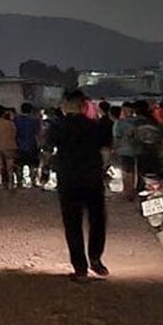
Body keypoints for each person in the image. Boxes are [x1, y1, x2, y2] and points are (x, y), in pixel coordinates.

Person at [47, 90, 112, 282]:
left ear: (65, 105)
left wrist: (48, 168)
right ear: (84, 106)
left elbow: (49, 149)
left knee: (72, 223)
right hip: (92, 177)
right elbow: (106, 152)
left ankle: (80, 268)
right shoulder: (97, 126)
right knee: (97, 219)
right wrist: (102, 169)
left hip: (68, 179)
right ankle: (96, 259)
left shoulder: (57, 127)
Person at [0, 105, 17, 191]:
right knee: (10, 167)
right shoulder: (10, 123)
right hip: (9, 146)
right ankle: (10, 184)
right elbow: (14, 134)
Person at [112, 103, 138, 199]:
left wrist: (114, 149)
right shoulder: (137, 122)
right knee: (132, 171)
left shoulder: (119, 123)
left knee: (126, 171)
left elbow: (116, 138)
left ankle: (127, 191)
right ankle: (131, 190)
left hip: (124, 150)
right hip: (136, 150)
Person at [13, 103, 41, 188]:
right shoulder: (35, 120)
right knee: (32, 164)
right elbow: (37, 133)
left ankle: (19, 182)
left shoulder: (16, 120)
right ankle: (33, 181)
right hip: (31, 144)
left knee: (19, 165)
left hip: (19, 144)